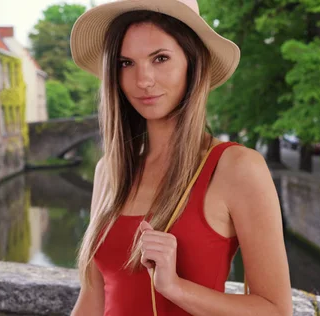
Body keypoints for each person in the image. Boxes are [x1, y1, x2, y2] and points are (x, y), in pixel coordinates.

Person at [69, 1, 293, 315]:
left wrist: (175, 288)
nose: (143, 79)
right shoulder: (109, 171)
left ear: (192, 61)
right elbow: (93, 298)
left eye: (160, 58)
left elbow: (276, 311)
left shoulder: (236, 168)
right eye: (125, 63)